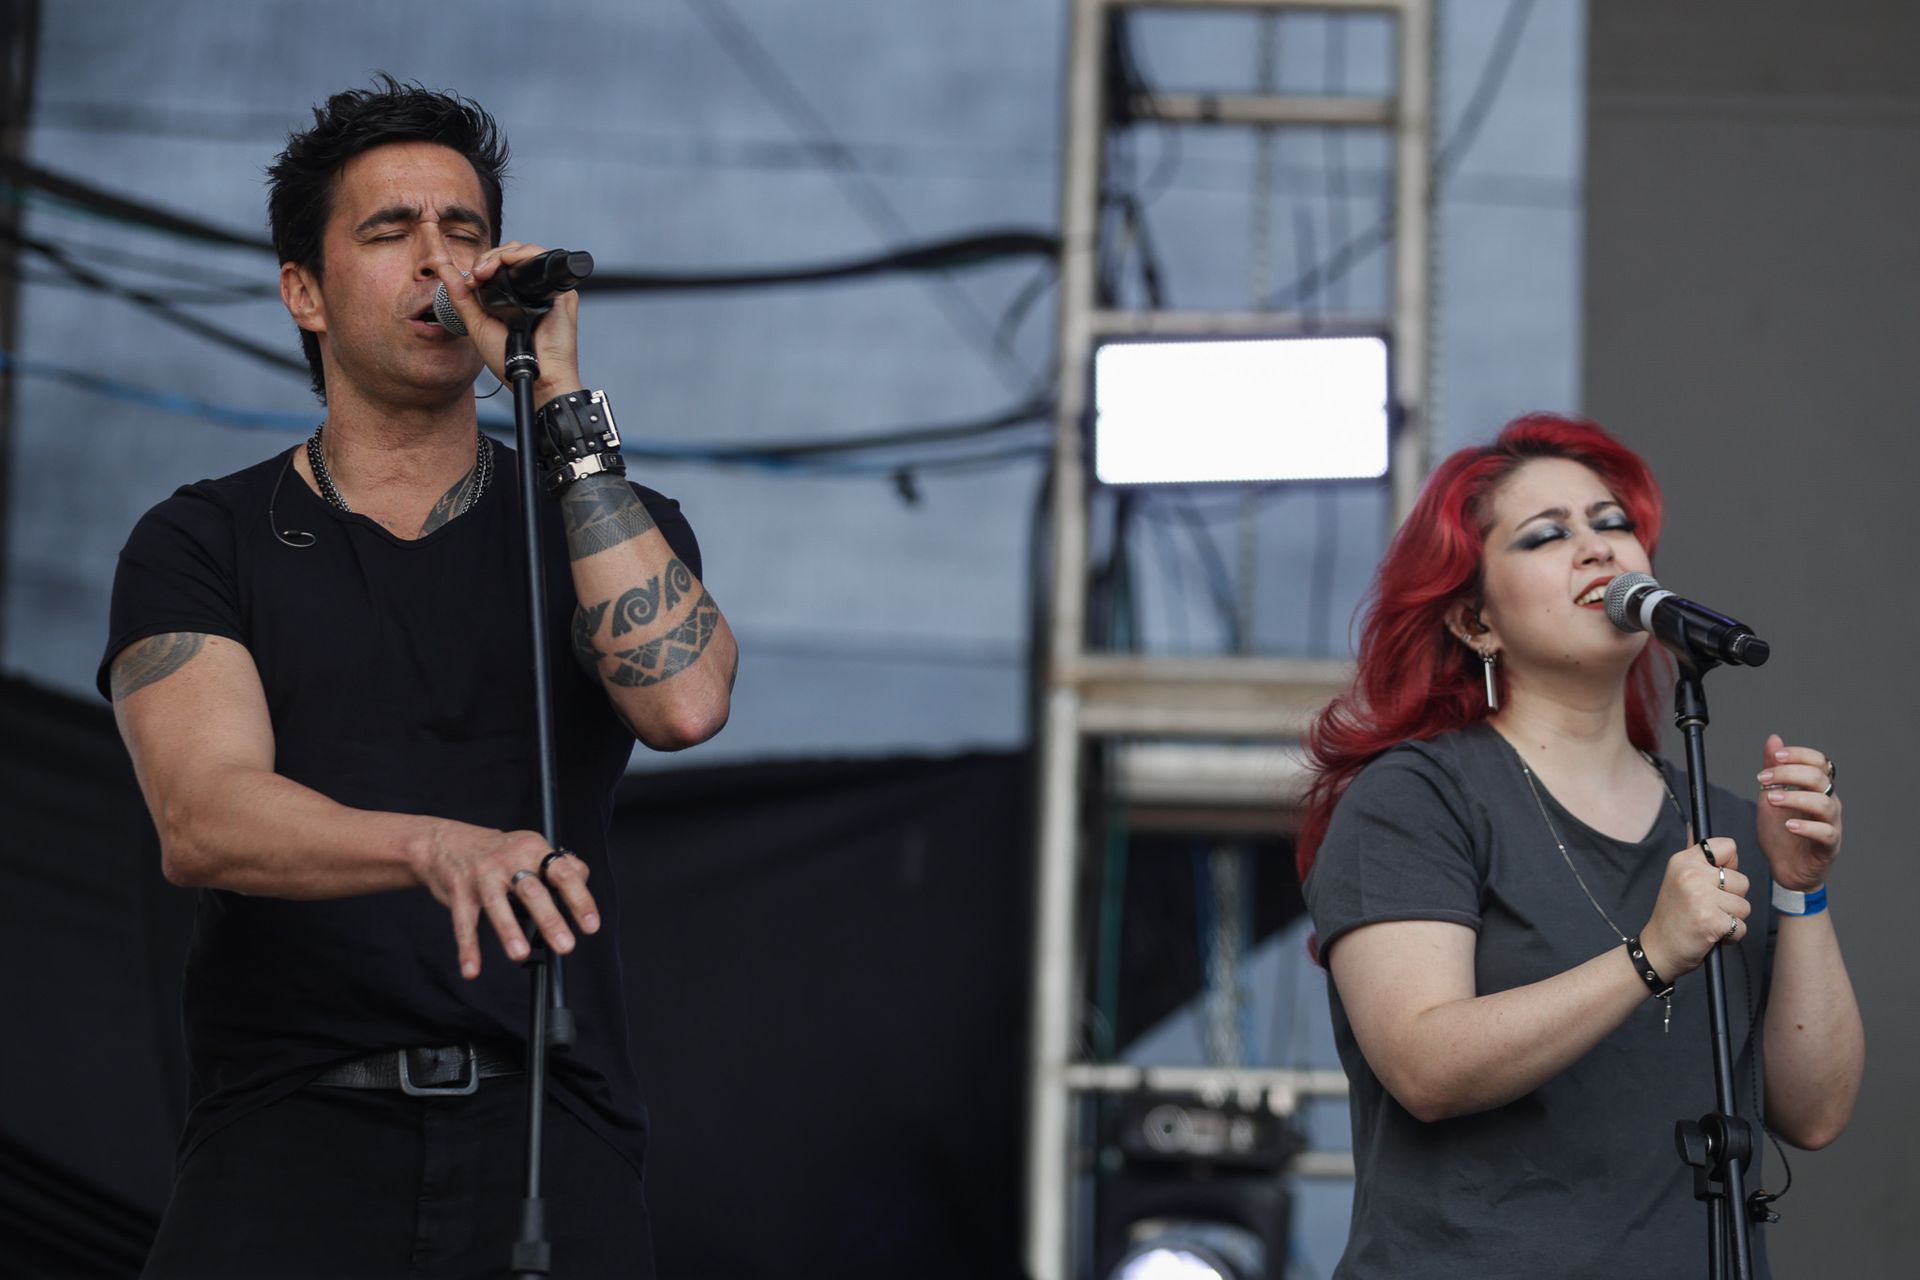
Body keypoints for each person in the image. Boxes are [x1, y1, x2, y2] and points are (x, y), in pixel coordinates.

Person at [97, 76, 737, 1278]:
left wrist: (564, 410)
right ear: (306, 292)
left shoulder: (602, 520)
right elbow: (202, 814)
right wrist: (435, 846)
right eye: (391, 233)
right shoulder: (202, 539)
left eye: (465, 231)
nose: (439, 264)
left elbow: (686, 701)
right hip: (286, 1137)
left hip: (551, 1125)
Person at [1297, 414, 1862, 1278]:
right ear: (1474, 622)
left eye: (1611, 523)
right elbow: (1424, 1064)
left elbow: (1815, 1114)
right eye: (1546, 536)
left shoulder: (1720, 817)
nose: (1599, 551)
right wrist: (1651, 953)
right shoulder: (1415, 799)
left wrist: (1801, 891)